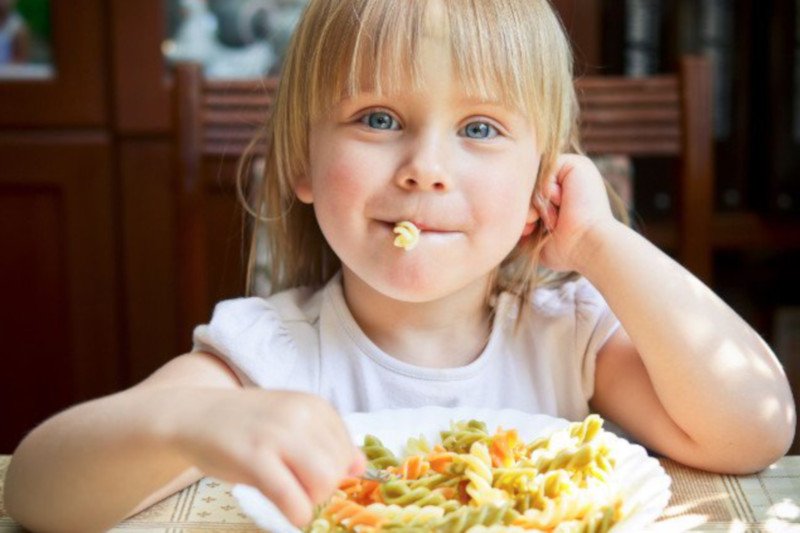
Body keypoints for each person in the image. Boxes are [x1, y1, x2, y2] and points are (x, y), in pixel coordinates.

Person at [5, 0, 795, 530]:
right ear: (301, 162)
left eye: (480, 128)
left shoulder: (567, 335)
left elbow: (754, 430)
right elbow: (36, 491)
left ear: (541, 181)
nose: (426, 169)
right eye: (378, 118)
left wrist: (599, 242)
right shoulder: (270, 356)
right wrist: (194, 424)